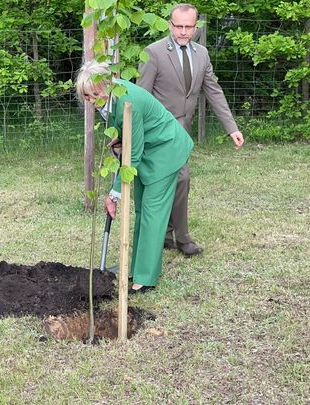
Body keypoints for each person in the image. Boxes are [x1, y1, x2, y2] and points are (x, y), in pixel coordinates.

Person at [76, 60, 194, 293]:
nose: (90, 100)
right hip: (148, 148)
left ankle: (145, 278)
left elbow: (133, 155)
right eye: (86, 96)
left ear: (107, 84)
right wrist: (119, 139)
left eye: (94, 95)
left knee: (152, 212)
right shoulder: (110, 97)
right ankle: (135, 269)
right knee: (141, 208)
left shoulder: (129, 102)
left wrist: (114, 194)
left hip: (166, 150)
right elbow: (128, 139)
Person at [137, 3, 244, 256]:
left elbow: (213, 91)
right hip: (159, 132)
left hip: (183, 132)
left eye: (189, 27)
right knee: (181, 178)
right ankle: (183, 239)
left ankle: (165, 234)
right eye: (179, 26)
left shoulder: (202, 54)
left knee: (173, 179)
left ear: (196, 27)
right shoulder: (153, 53)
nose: (184, 32)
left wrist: (231, 128)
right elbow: (141, 97)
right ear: (170, 25)